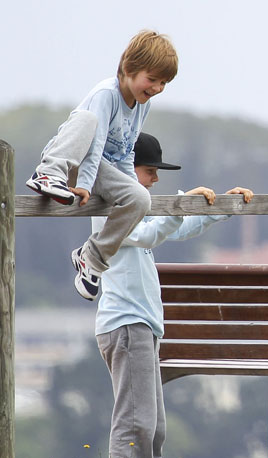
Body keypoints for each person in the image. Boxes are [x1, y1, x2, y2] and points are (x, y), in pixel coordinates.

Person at [94, 132, 254, 458]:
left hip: (140, 325)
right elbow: (151, 233)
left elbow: (172, 230)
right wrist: (181, 203)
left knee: (153, 423)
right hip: (126, 323)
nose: (155, 180)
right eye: (150, 171)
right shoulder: (110, 208)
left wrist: (222, 208)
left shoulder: (132, 209)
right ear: (127, 170)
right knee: (136, 418)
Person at [25, 30, 178, 301]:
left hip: (99, 171)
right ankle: (48, 173)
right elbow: (93, 147)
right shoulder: (106, 94)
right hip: (71, 161)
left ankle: (92, 257)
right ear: (129, 69)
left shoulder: (144, 105)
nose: (156, 88)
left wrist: (132, 191)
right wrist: (83, 184)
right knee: (87, 120)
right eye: (152, 79)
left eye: (163, 82)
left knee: (141, 199)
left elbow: (126, 152)